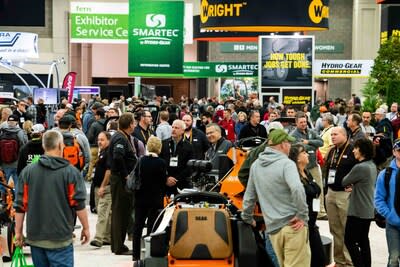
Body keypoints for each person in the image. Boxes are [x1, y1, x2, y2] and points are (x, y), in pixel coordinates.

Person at [14, 130, 89, 267]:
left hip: (36, 237)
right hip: (60, 237)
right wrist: (86, 227)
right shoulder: (71, 172)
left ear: (44, 147)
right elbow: (78, 203)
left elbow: (20, 205)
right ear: (61, 145)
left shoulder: (28, 172)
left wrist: (18, 232)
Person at [241, 129, 310, 267]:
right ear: (283, 144)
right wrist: (303, 216)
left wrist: (247, 217)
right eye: (288, 143)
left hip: (272, 229)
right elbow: (297, 188)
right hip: (293, 225)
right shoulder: (287, 164)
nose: (290, 146)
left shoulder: (256, 166)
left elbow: (249, 197)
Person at [323, 126, 357, 267]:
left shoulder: (353, 150)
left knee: (345, 230)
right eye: (332, 135)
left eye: (336, 134)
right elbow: (326, 170)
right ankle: (339, 261)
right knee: (335, 229)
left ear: (344, 135)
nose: (333, 137)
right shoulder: (331, 150)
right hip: (331, 192)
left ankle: (349, 263)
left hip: (345, 194)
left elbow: (362, 170)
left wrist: (355, 186)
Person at [289, 143, 325, 267]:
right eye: (303, 152)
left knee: (319, 258)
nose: (307, 154)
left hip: (312, 222)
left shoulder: (306, 172)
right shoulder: (293, 175)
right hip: (301, 223)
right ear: (297, 158)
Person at [342, 138, 376, 267]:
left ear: (362, 150)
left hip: (357, 211)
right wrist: (355, 186)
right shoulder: (371, 165)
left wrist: (352, 184)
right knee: (363, 242)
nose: (354, 151)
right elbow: (364, 184)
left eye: (356, 148)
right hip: (367, 210)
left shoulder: (359, 167)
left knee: (349, 241)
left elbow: (344, 181)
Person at [132, 136, 167, 260]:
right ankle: (149, 253)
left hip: (140, 198)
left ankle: (135, 254)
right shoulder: (161, 163)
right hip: (155, 199)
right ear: (159, 148)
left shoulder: (141, 161)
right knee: (152, 228)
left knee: (138, 226)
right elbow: (163, 182)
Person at [108, 113, 137, 255]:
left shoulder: (123, 136)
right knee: (120, 212)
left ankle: (119, 245)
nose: (135, 124)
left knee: (123, 212)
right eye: (134, 122)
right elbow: (118, 157)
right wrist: (126, 175)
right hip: (120, 180)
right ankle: (118, 246)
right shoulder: (120, 137)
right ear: (130, 124)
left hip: (120, 179)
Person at [290, 112, 326, 219]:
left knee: (319, 188)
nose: (303, 124)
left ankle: (320, 212)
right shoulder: (293, 135)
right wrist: (312, 147)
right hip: (301, 168)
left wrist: (308, 142)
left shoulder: (311, 132)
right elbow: (298, 149)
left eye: (305, 122)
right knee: (305, 190)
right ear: (296, 123)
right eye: (301, 122)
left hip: (313, 166)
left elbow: (321, 142)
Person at [374, 139, 400, 267]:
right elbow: (378, 199)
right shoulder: (386, 174)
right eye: (399, 150)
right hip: (393, 224)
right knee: (393, 259)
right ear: (394, 152)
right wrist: (390, 215)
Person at [90, 131, 112, 248]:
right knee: (105, 213)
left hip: (105, 188)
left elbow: (109, 171)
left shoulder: (109, 152)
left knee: (102, 213)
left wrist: (103, 186)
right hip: (98, 187)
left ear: (108, 140)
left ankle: (98, 238)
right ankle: (107, 237)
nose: (99, 142)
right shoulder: (102, 152)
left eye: (102, 140)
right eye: (98, 139)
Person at [160, 119, 194, 195]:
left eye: (176, 128)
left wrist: (176, 179)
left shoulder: (189, 146)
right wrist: (166, 178)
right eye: (172, 127)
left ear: (182, 131)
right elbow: (160, 164)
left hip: (181, 184)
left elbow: (189, 167)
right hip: (165, 183)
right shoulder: (163, 144)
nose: (173, 130)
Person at [0, 114, 28, 191]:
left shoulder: (2, 132)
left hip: (4, 163)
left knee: (3, 183)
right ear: (17, 122)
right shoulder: (21, 133)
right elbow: (24, 147)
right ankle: (16, 200)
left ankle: (3, 200)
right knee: (17, 184)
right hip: (17, 163)